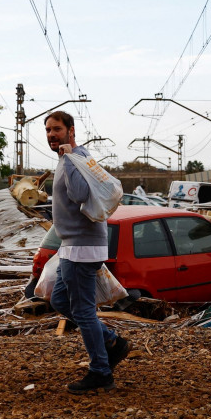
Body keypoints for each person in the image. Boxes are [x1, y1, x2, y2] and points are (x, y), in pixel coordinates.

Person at [44, 110, 130, 393]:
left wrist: (68, 159)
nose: (51, 135)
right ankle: (112, 342)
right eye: (48, 130)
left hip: (82, 248)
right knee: (60, 300)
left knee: (82, 311)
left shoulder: (75, 158)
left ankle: (101, 372)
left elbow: (80, 195)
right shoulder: (67, 159)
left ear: (71, 131)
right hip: (71, 246)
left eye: (56, 129)